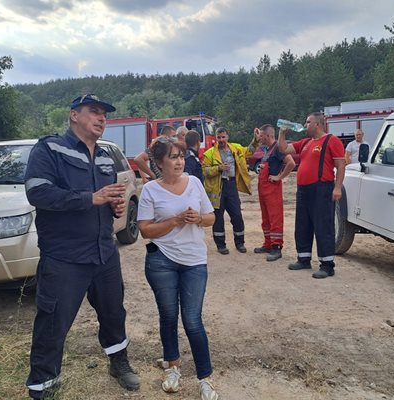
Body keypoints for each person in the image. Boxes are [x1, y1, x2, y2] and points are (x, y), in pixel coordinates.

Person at [24, 94, 140, 399]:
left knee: (114, 313)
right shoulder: (49, 148)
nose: (102, 118)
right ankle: (43, 385)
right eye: (94, 112)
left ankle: (119, 363)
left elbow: (105, 197)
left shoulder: (104, 156)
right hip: (65, 257)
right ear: (74, 115)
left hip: (104, 252)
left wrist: (112, 206)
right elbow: (39, 193)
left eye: (104, 114)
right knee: (53, 321)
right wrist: (92, 198)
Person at [137, 139, 219, 400]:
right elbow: (145, 230)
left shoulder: (194, 183)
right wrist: (174, 220)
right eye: (173, 157)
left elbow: (211, 217)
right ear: (160, 163)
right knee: (169, 316)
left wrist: (199, 219)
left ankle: (205, 378)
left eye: (181, 156)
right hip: (161, 261)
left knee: (193, 321)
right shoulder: (151, 190)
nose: (180, 161)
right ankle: (173, 366)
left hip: (194, 260)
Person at [278, 112, 346, 279]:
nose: (305, 124)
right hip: (303, 190)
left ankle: (327, 265)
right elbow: (284, 149)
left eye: (308, 122)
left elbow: (341, 164)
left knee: (323, 226)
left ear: (318, 124)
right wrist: (282, 133)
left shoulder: (331, 140)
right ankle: (303, 258)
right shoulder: (306, 142)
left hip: (322, 188)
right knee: (303, 225)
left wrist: (337, 188)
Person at [202, 127, 257, 255]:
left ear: (227, 137)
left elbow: (250, 151)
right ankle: (221, 245)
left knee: (237, 215)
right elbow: (205, 171)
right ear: (216, 139)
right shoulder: (209, 153)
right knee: (218, 218)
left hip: (231, 185)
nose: (221, 140)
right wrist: (219, 168)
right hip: (218, 188)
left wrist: (255, 140)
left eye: (223, 137)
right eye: (219, 138)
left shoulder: (236, 148)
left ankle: (240, 243)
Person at [252, 124, 295, 262]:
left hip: (272, 190)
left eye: (262, 136)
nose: (260, 138)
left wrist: (279, 177)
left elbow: (291, 163)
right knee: (266, 218)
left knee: (275, 217)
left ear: (269, 136)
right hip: (263, 190)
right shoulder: (267, 150)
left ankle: (276, 247)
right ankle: (268, 244)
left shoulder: (278, 148)